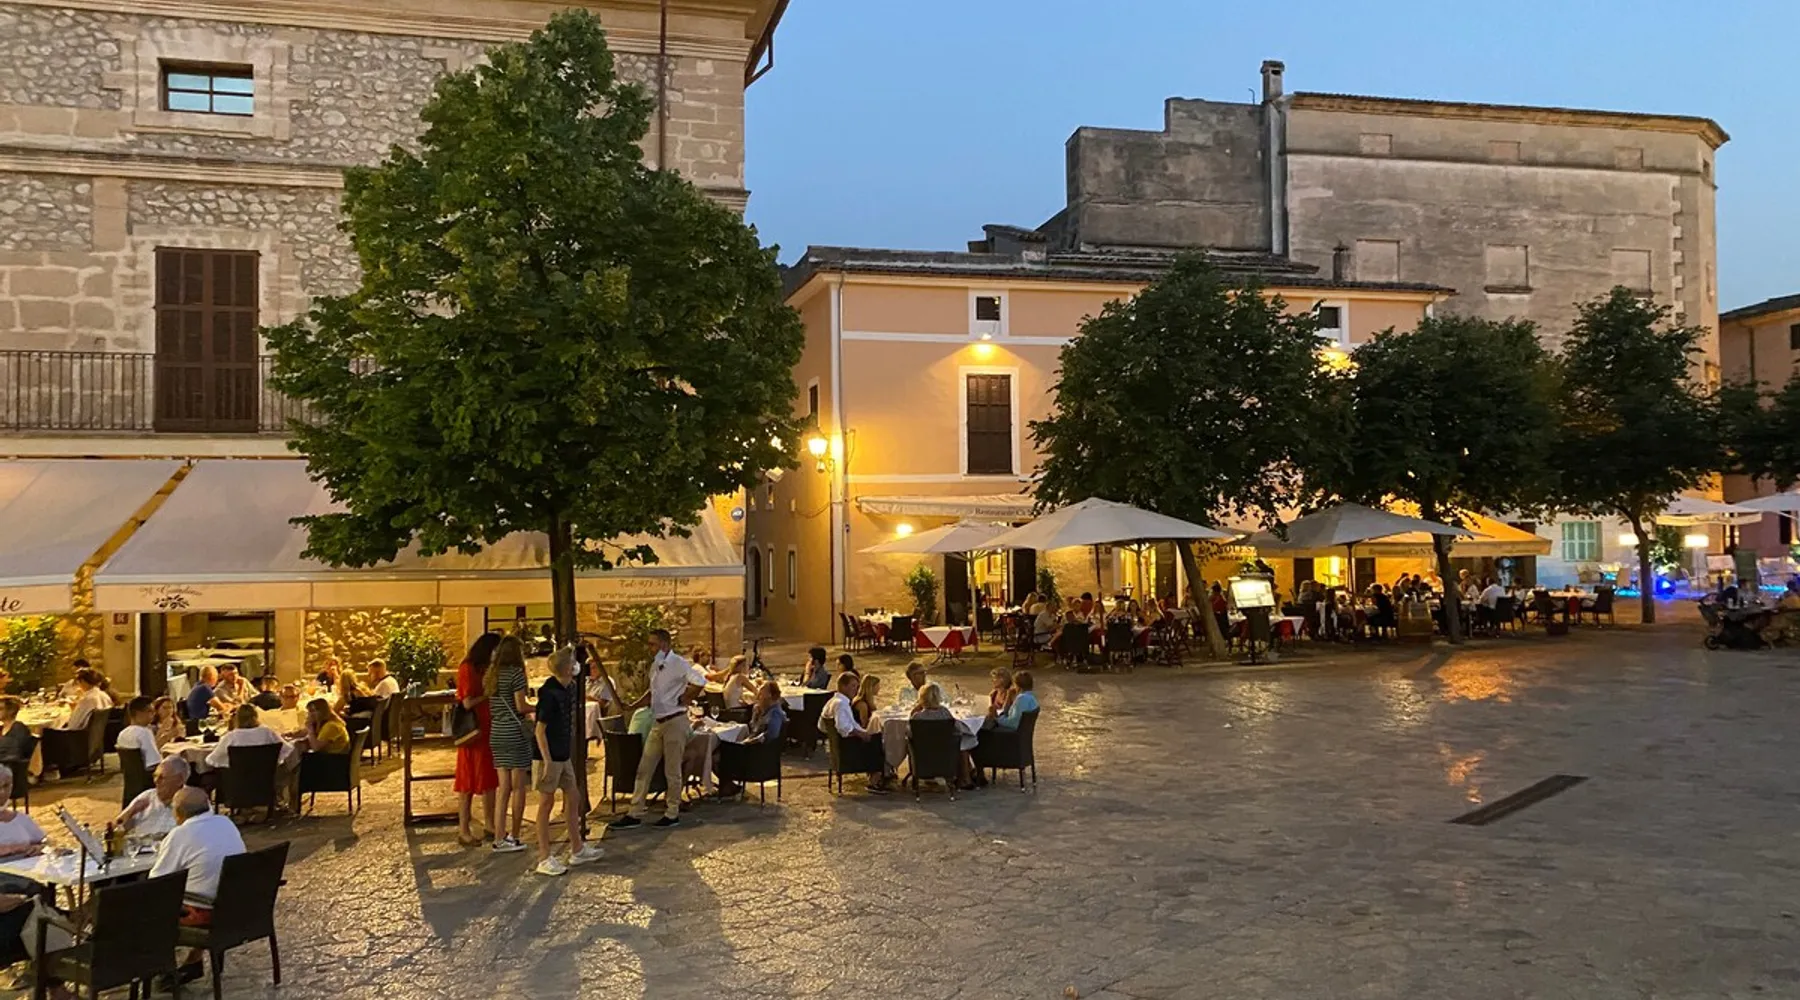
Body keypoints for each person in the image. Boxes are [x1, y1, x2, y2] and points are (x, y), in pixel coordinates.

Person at [609, 629, 706, 830]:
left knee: (672, 770)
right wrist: (632, 706)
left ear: (664, 644)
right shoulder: (656, 665)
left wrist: (687, 696)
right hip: (658, 721)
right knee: (644, 768)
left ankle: (672, 812)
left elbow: (700, 681)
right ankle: (635, 812)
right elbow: (651, 693)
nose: (650, 648)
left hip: (675, 720)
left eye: (653, 644)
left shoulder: (678, 663)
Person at [149, 787, 246, 982]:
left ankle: (156, 968)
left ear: (178, 813)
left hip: (206, 912)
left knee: (148, 906)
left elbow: (158, 881)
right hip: (237, 905)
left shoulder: (180, 834)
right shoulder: (225, 823)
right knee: (203, 882)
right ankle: (193, 960)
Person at [530, 648, 603, 876]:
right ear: (567, 668)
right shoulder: (549, 693)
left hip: (563, 754)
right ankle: (544, 857)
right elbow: (540, 731)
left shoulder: (569, 688)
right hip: (549, 756)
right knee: (546, 804)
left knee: (573, 796)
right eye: (573, 661)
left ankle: (577, 848)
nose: (577, 665)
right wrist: (547, 760)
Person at [486, 635, 534, 853]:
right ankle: (514, 835)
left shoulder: (492, 675)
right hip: (514, 732)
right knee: (519, 787)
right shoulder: (516, 674)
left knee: (503, 788)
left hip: (497, 731)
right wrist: (537, 707)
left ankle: (499, 837)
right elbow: (520, 706)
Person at [455, 633, 501, 849]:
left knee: (489, 778)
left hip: (488, 729)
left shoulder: (486, 668)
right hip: (474, 732)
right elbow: (466, 702)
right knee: (468, 781)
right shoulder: (467, 668)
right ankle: (464, 830)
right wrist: (488, 695)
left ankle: (490, 824)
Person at [715, 682, 788, 798]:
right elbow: (753, 728)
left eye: (761, 692)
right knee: (719, 751)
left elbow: (771, 735)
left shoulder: (775, 713)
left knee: (719, 754)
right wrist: (756, 715)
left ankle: (728, 787)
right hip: (754, 751)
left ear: (769, 695)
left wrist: (751, 742)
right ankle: (728, 786)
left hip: (758, 757)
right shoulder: (762, 710)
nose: (758, 695)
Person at [820, 672, 887, 792]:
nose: (856, 689)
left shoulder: (833, 701)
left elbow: (822, 725)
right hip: (847, 747)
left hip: (839, 745)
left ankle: (879, 774)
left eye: (857, 686)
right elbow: (843, 727)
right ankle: (875, 780)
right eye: (853, 686)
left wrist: (864, 732)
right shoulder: (840, 704)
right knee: (878, 741)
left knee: (874, 736)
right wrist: (860, 734)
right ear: (843, 686)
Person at [114, 755, 190, 838]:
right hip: (140, 845)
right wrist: (131, 811)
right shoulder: (146, 797)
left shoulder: (191, 802)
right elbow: (115, 830)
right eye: (155, 776)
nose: (156, 781)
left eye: (161, 777)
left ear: (179, 780)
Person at [204, 703, 295, 770]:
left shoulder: (232, 736)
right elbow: (287, 749)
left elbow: (211, 760)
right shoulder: (267, 732)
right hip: (265, 781)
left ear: (237, 718)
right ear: (256, 717)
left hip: (236, 783)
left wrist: (228, 763)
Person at [114, 696, 161, 771]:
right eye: (150, 711)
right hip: (148, 776)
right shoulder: (144, 733)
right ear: (138, 713)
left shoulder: (122, 733)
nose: (154, 714)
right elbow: (153, 763)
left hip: (132, 776)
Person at [0, 698, 33, 765]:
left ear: (11, 711)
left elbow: (15, 754)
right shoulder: (2, 728)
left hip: (10, 766)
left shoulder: (19, 729)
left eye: (0, 709)